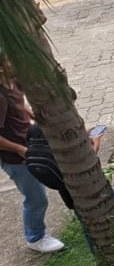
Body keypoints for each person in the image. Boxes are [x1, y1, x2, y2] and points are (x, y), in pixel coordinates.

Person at [24, 123, 114, 266]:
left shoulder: (35, 132)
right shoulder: (61, 137)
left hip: (69, 196)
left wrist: (80, 134)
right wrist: (96, 144)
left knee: (90, 229)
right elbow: (83, 168)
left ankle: (106, 265)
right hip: (92, 189)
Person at [0, 69, 63, 254]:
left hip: (30, 145)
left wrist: (35, 118)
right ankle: (35, 237)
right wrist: (21, 150)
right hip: (16, 159)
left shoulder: (12, 81)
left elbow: (19, 105)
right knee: (36, 199)